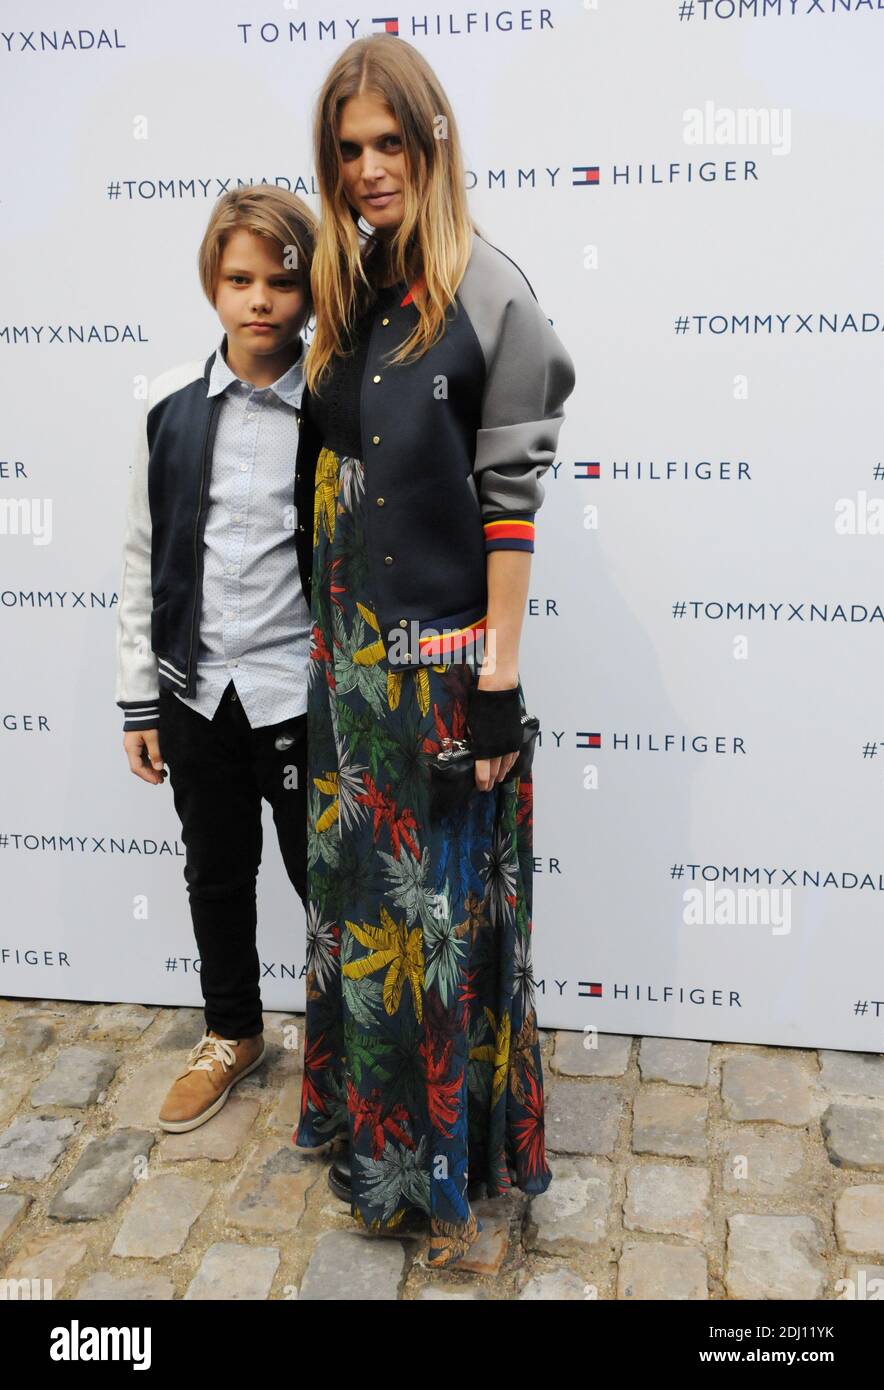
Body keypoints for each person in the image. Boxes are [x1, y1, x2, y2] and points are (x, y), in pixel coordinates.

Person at [292, 35, 576, 1269]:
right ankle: (378, 1155)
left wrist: (500, 691)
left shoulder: (490, 291)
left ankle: (463, 1183)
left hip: (451, 675)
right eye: (348, 150)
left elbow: (507, 507)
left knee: (445, 931)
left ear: (433, 141)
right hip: (351, 681)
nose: (367, 169)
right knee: (370, 925)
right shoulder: (349, 292)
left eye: (388, 144)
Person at [114, 187, 318, 1132]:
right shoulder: (167, 405)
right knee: (215, 871)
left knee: (327, 874)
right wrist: (139, 700)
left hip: (300, 695)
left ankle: (352, 1045)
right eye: (241, 280)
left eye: (283, 280)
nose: (261, 301)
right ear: (213, 284)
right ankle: (233, 1032)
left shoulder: (333, 406)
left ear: (311, 291)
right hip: (196, 694)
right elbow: (141, 556)